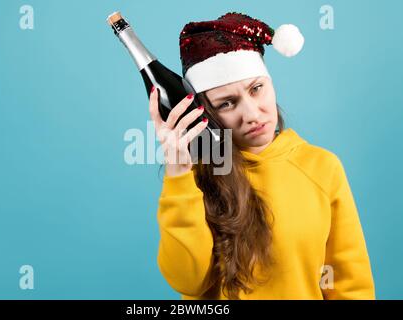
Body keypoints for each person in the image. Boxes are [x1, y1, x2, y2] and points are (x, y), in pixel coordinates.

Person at [149, 12, 375, 300]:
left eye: (257, 89)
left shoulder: (322, 168)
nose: (252, 114)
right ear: (205, 113)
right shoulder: (195, 178)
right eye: (227, 103)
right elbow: (187, 281)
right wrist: (178, 172)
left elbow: (349, 284)